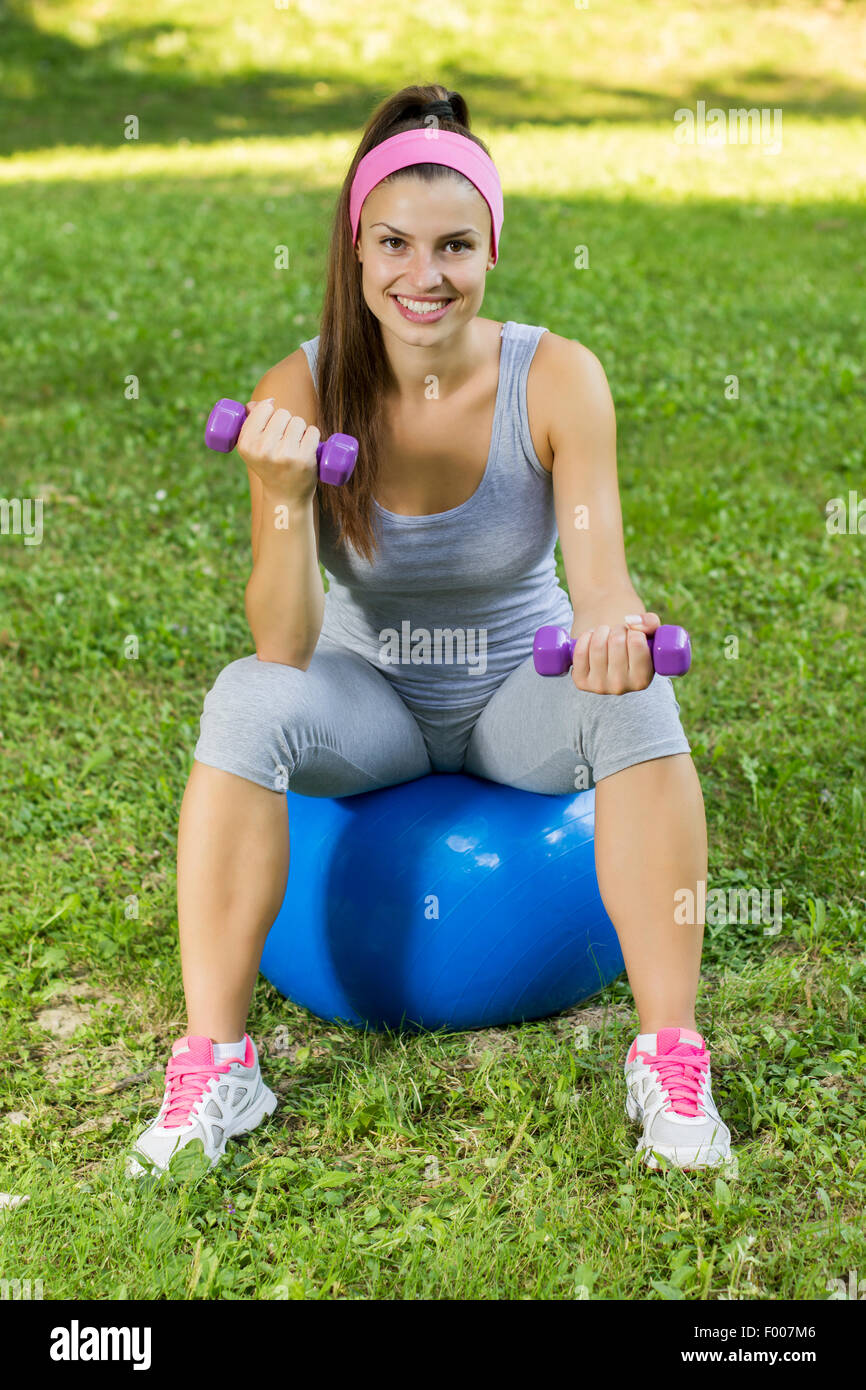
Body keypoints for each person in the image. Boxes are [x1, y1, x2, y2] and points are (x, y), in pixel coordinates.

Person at [128, 84, 731, 1178]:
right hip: (373, 697)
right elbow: (282, 643)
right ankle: (217, 1062)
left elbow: (598, 575)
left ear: (491, 246)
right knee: (241, 698)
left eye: (455, 244)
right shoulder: (299, 390)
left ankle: (669, 1053)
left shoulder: (555, 378)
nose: (424, 276)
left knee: (640, 691)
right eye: (394, 246)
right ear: (355, 254)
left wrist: (611, 627)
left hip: (517, 693)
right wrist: (281, 494)